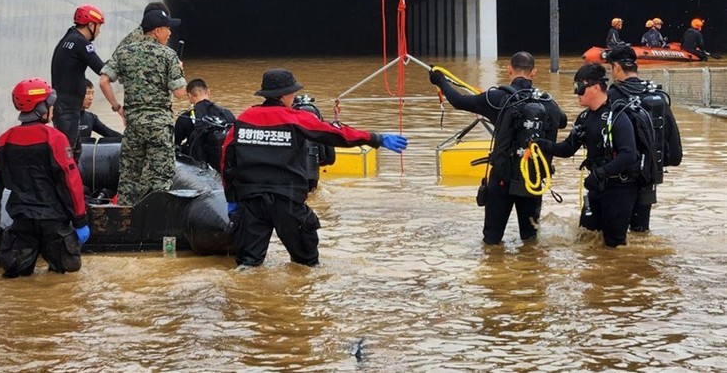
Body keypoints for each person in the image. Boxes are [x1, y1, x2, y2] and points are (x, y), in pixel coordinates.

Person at [221, 68, 408, 268]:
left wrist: (232, 200)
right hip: (288, 201)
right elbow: (336, 133)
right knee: (306, 265)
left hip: (251, 202)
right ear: (284, 95)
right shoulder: (295, 118)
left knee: (247, 265)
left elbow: (226, 159)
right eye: (292, 93)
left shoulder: (243, 119)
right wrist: (376, 139)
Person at [429, 52, 567, 245]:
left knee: (492, 240)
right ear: (533, 73)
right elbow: (562, 122)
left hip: (502, 178)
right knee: (530, 241)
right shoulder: (547, 101)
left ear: (509, 69)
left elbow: (459, 102)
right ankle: (533, 273)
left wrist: (440, 81)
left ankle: (494, 269)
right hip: (532, 180)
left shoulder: (496, 99)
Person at [0, 78, 90, 278]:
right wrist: (80, 220)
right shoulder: (55, 139)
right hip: (54, 223)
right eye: (49, 104)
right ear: (41, 108)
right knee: (61, 279)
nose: (51, 108)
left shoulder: (5, 139)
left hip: (22, 220)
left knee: (17, 279)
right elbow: (70, 181)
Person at [534, 64, 638, 248]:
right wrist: (542, 144)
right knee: (586, 238)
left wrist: (600, 174)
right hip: (596, 188)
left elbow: (629, 155)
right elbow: (567, 149)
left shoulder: (618, 117)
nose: (577, 94)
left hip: (619, 190)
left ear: (596, 87)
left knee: (614, 246)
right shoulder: (584, 118)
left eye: (579, 88)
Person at [98, 6, 187, 205]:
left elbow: (104, 81)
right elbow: (180, 93)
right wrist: (179, 70)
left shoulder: (124, 51)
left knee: (129, 178)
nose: (170, 32)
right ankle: (154, 222)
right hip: (159, 125)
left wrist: (117, 107)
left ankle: (124, 223)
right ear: (157, 31)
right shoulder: (168, 55)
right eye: (167, 28)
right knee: (160, 178)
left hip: (133, 125)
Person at [605, 45, 682, 232]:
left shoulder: (612, 96)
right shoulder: (656, 95)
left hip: (619, 177)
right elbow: (674, 143)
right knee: (640, 230)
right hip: (649, 175)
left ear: (616, 67)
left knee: (613, 233)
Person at [51, 4, 107, 161]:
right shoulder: (81, 43)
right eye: (99, 26)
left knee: (74, 152)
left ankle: (73, 185)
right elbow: (102, 69)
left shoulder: (68, 38)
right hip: (68, 110)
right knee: (66, 156)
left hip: (64, 108)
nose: (100, 31)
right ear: (91, 25)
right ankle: (63, 185)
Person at [174, 78, 235, 171]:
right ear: (208, 92)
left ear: (189, 96)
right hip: (225, 163)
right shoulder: (227, 113)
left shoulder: (186, 117)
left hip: (200, 166)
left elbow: (174, 143)